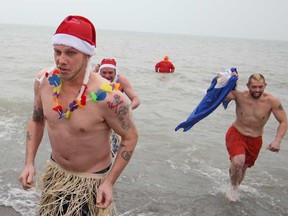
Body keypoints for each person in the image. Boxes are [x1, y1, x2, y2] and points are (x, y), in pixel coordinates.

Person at [18, 15, 138, 216]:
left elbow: (130, 136)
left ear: (87, 56)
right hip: (55, 173)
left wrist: (109, 182)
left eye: (71, 53)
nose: (61, 60)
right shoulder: (43, 82)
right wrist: (29, 162)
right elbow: (37, 120)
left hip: (91, 182)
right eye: (57, 52)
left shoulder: (110, 98)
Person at [224, 73, 287, 202]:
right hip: (236, 133)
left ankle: (234, 184)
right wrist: (229, 79)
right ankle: (232, 187)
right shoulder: (239, 96)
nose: (257, 90)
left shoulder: (272, 101)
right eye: (254, 87)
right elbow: (221, 96)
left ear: (265, 85)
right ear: (248, 86)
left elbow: (284, 121)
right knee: (238, 162)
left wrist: (277, 140)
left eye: (260, 87)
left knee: (244, 166)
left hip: (255, 139)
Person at [99, 58, 141, 156]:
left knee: (114, 149)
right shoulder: (94, 79)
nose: (107, 76)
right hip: (99, 116)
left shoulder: (121, 80)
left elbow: (136, 99)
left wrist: (129, 109)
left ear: (115, 72)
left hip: (115, 117)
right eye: (104, 72)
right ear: (99, 72)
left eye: (110, 73)